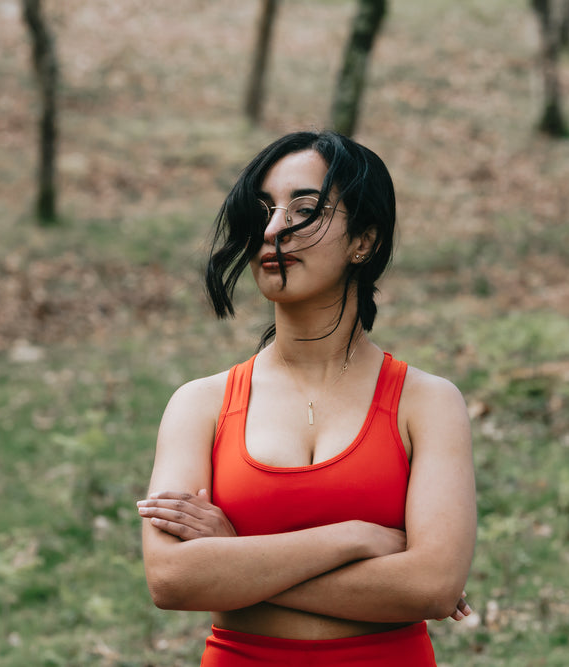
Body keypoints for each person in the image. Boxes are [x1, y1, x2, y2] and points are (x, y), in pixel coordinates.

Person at [137, 130, 477, 666]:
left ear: (364, 240)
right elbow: (172, 579)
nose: (273, 230)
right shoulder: (199, 405)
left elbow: (431, 586)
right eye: (263, 211)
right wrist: (357, 538)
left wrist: (232, 561)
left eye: (304, 210)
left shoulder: (427, 402)